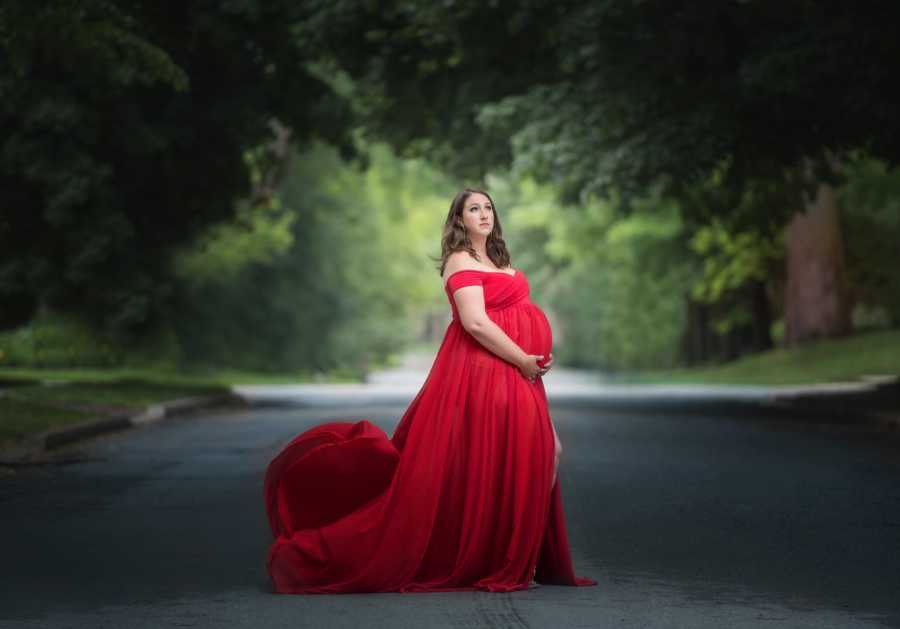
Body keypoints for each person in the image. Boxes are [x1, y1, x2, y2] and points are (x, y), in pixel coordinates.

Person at [264, 188, 597, 593]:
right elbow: (474, 322)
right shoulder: (460, 260)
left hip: (518, 374)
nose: (484, 214)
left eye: (488, 207)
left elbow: (513, 310)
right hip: (487, 372)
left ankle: (516, 554)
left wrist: (534, 356)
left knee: (540, 453)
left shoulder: (498, 258)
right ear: (459, 220)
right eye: (473, 209)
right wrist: (523, 358)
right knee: (518, 456)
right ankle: (509, 558)